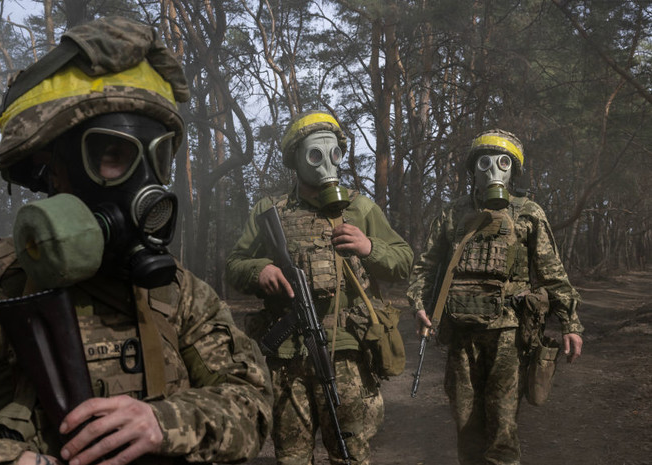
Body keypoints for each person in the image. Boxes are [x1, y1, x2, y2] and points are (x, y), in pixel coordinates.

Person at [0, 17, 272, 465]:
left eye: (157, 157)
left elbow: (253, 402)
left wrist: (165, 424)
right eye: (112, 154)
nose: (145, 184)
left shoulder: (174, 290)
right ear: (52, 168)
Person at [226, 111, 414, 465]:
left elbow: (404, 260)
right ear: (296, 158)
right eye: (315, 154)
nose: (325, 162)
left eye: (333, 153)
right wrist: (260, 270)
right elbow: (234, 265)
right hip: (289, 356)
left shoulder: (360, 208)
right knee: (292, 458)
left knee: (350, 454)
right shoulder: (270, 212)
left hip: (346, 353)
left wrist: (369, 247)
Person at [406, 129, 584, 465]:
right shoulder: (452, 214)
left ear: (513, 170)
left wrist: (571, 323)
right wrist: (419, 306)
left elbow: (552, 273)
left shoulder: (527, 213)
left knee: (503, 426)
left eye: (502, 162)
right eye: (484, 162)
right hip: (461, 333)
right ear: (472, 169)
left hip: (509, 335)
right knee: (466, 424)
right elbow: (426, 266)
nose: (493, 170)